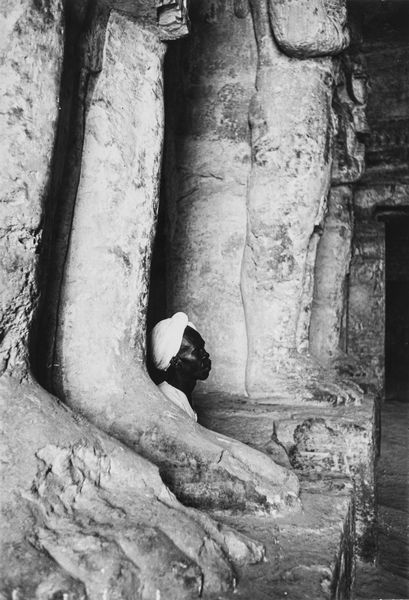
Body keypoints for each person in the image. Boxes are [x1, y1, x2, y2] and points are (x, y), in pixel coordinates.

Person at [150, 312, 211, 420]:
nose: (206, 354)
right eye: (197, 351)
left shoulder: (181, 395)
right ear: (176, 362)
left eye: (203, 348)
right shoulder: (167, 403)